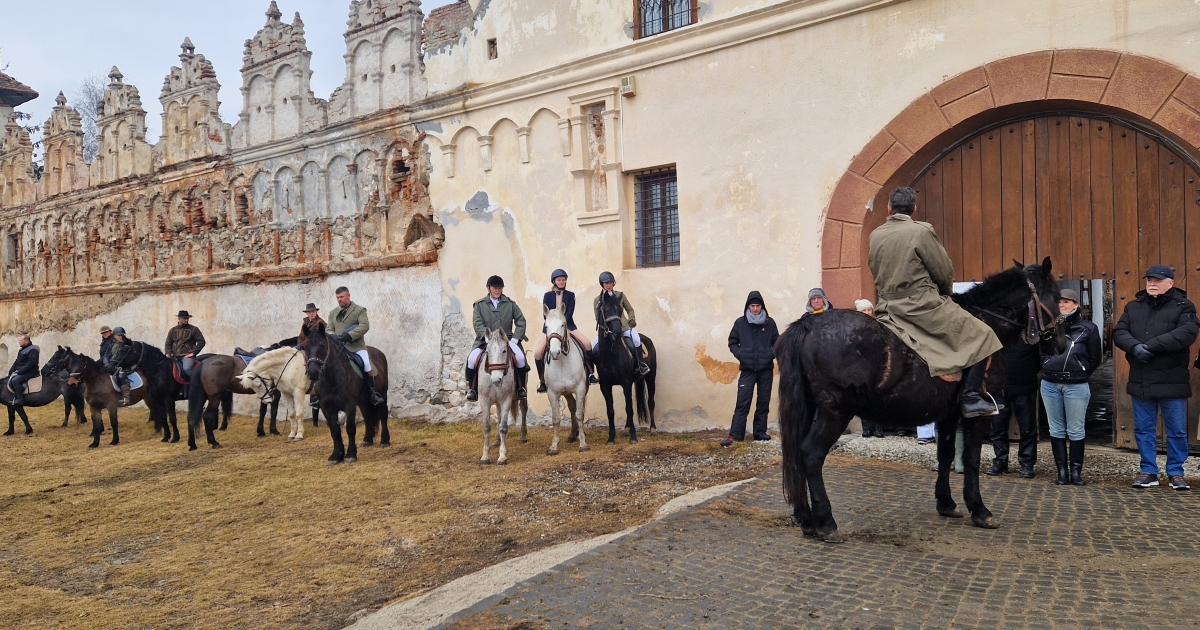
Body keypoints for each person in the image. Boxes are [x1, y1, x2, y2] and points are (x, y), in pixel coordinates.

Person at [868, 187, 1004, 418]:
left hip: (888, 306)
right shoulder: (921, 231)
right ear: (914, 209)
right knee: (983, 334)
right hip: (921, 304)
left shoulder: (875, 234)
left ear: (888, 209)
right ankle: (970, 397)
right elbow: (942, 270)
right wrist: (944, 293)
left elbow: (874, 269)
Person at [1113, 265, 1199, 490]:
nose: (1152, 283)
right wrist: (1134, 347)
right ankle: (1148, 471)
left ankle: (1176, 472)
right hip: (1142, 379)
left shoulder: (1183, 306)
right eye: (1149, 279)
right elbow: (1120, 332)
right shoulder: (1133, 306)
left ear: (1170, 283)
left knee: (1176, 430)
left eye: (1158, 280)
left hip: (1172, 379)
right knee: (1143, 428)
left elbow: (1186, 333)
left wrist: (1149, 347)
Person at [1039, 289, 1101, 486]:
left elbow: (1095, 358)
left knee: (1075, 429)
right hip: (1050, 384)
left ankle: (1076, 472)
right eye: (1059, 302)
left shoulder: (1088, 328)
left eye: (1066, 301)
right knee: (1055, 429)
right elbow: (1040, 351)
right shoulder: (1048, 327)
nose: (1062, 305)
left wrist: (1080, 371)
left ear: (1076, 304)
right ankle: (1062, 472)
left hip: (1076, 385)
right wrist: (1048, 365)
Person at [721, 291, 779, 447]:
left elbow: (777, 343)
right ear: (748, 306)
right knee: (742, 401)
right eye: (752, 306)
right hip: (747, 369)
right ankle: (736, 435)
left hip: (766, 369)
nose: (755, 309)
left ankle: (760, 432)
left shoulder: (770, 323)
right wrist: (740, 354)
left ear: (762, 306)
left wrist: (770, 353)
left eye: (757, 306)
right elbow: (732, 341)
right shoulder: (740, 323)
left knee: (763, 401)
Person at [533, 269, 598, 393]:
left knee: (587, 344)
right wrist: (553, 324)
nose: (561, 282)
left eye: (563, 280)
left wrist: (562, 322)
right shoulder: (547, 295)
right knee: (537, 352)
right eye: (559, 280)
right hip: (551, 328)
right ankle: (542, 381)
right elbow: (545, 314)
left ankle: (590, 373)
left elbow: (569, 312)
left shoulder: (570, 295)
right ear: (554, 281)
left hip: (568, 326)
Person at [466, 276, 529, 401]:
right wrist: (486, 337)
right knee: (472, 359)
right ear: (488, 288)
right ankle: (472, 389)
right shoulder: (479, 305)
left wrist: (515, 339)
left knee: (521, 358)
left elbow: (521, 321)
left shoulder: (510, 304)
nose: (497, 290)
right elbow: (478, 323)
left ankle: (520, 388)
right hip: (485, 341)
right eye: (495, 288)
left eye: (500, 288)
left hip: (507, 340)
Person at [986, 341, 1042, 478]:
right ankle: (1000, 461)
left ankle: (1027, 463)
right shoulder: (998, 337)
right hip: (1000, 389)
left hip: (1024, 388)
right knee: (998, 428)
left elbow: (1037, 362)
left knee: (1027, 428)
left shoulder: (1027, 338)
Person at [327, 287, 386, 406]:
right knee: (324, 365)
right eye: (337, 297)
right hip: (338, 348)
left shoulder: (359, 310)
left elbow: (364, 326)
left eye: (341, 297)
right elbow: (329, 329)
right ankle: (322, 395)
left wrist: (349, 336)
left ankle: (373, 392)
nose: (339, 299)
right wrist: (334, 337)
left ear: (348, 295)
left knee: (366, 363)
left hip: (356, 347)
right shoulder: (333, 313)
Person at [593, 271, 650, 376]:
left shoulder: (620, 295)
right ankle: (593, 373)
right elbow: (597, 316)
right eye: (606, 283)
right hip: (607, 330)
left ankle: (640, 365)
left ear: (613, 283)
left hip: (623, 326)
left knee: (636, 339)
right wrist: (605, 328)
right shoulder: (598, 300)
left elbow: (630, 309)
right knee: (593, 347)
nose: (609, 285)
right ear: (602, 284)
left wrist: (631, 319)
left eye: (610, 283)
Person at [855, 299, 885, 438]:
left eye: (869, 310)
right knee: (863, 397)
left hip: (877, 364)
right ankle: (867, 427)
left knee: (878, 396)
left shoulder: (878, 325)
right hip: (861, 365)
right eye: (864, 310)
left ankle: (879, 427)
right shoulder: (855, 328)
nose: (867, 312)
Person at [164, 310, 206, 375]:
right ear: (179, 318)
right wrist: (168, 353)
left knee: (186, 369)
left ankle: (194, 383)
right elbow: (168, 343)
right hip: (175, 356)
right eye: (184, 318)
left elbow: (201, 342)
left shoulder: (194, 329)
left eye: (187, 318)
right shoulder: (173, 330)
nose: (186, 320)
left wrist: (193, 353)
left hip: (187, 356)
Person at [6, 334, 39, 406]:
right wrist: (11, 370)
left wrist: (21, 371)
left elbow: (32, 363)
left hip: (30, 371)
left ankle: (20, 400)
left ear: (26, 341)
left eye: (21, 340)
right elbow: (17, 361)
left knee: (15, 380)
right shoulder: (22, 350)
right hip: (22, 371)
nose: (19, 342)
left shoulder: (33, 349)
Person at [111, 327, 132, 405]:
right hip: (116, 364)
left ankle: (126, 398)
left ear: (121, 335)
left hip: (126, 365)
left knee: (120, 376)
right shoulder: (114, 344)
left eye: (116, 335)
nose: (115, 337)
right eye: (115, 335)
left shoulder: (128, 344)